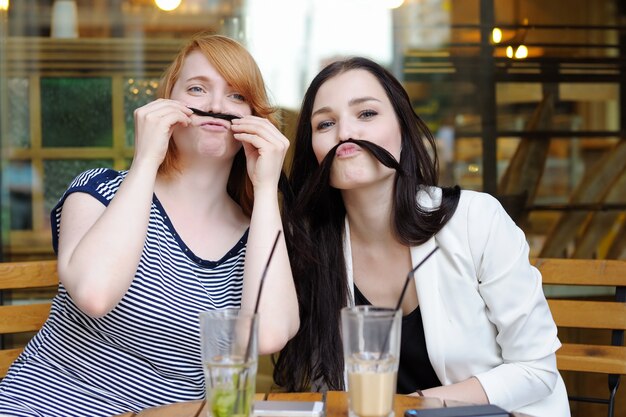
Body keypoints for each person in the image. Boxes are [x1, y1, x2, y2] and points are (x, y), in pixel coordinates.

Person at [0, 33, 298, 417]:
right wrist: (145, 161)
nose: (215, 105)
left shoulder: (258, 234)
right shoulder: (99, 190)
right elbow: (94, 294)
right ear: (166, 106)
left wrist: (266, 185)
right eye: (197, 88)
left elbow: (269, 334)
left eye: (236, 96)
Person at [273, 57, 569, 417]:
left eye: (366, 114)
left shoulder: (477, 220)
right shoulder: (314, 250)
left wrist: (412, 407)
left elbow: (536, 370)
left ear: (403, 128)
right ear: (313, 150)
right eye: (326, 123)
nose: (345, 133)